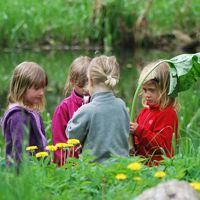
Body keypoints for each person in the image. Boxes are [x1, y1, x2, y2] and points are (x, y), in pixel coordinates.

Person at [66, 55, 130, 163]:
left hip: (95, 171)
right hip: (121, 167)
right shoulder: (121, 105)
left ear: (90, 81)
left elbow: (71, 135)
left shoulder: (87, 110)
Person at [130, 61, 179, 166]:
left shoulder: (168, 114)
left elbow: (161, 145)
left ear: (165, 89)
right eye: (144, 90)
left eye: (152, 90)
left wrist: (139, 130)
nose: (147, 95)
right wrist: (132, 145)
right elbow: (137, 138)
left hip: (158, 168)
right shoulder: (145, 111)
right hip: (143, 167)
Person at [1, 61, 48, 167]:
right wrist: (22, 173)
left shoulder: (31, 110)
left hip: (37, 167)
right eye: (36, 88)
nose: (42, 92)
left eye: (43, 87)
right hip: (26, 170)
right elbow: (19, 149)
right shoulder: (18, 116)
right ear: (21, 88)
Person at [51, 56, 91, 165]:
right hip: (72, 166)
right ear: (73, 82)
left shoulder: (98, 103)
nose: (86, 89)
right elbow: (59, 142)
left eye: (89, 83)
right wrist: (68, 165)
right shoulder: (64, 108)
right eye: (81, 85)